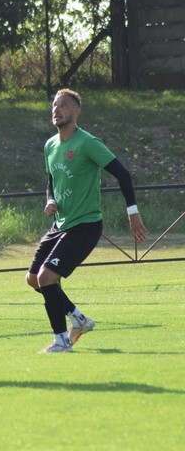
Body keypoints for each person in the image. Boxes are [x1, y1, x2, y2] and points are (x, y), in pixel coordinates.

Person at [27, 89, 148, 353]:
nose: (56, 110)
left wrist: (133, 212)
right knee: (34, 279)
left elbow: (123, 174)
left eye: (64, 105)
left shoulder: (87, 143)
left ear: (77, 111)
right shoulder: (50, 145)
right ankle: (79, 319)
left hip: (85, 226)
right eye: (54, 106)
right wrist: (50, 200)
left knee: (47, 277)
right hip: (59, 225)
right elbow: (50, 181)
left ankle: (61, 341)